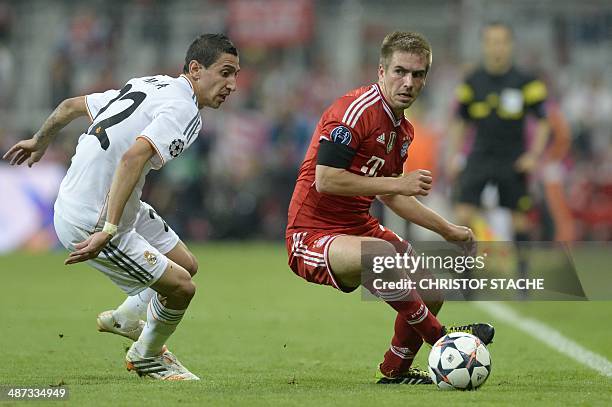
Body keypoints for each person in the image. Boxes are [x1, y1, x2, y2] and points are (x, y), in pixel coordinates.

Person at [3, 34, 239, 380]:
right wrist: (109, 229)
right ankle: (147, 356)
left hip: (111, 202)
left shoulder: (151, 84)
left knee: (186, 264)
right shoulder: (184, 109)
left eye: (235, 75)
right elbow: (132, 158)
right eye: (225, 72)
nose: (232, 84)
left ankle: (126, 318)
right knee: (182, 288)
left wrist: (40, 139)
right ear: (195, 69)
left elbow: (70, 106)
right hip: (92, 218)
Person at [285, 31, 494, 385]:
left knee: (431, 291)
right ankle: (441, 339)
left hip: (358, 227)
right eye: (400, 71)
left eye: (418, 74)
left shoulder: (403, 129)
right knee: (380, 254)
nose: (408, 82)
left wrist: (448, 230)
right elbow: (326, 180)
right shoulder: (353, 112)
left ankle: (395, 371)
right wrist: (396, 182)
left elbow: (393, 196)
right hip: (311, 234)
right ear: (381, 71)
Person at [447, 22, 550, 278]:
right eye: (492, 42)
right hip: (480, 156)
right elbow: (460, 121)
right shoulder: (472, 81)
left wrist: (533, 156)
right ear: (484, 46)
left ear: (510, 45)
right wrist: (454, 155)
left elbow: (545, 122)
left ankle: (524, 281)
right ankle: (466, 281)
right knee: (462, 215)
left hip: (513, 159)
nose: (497, 47)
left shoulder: (527, 81)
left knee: (520, 221)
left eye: (502, 41)